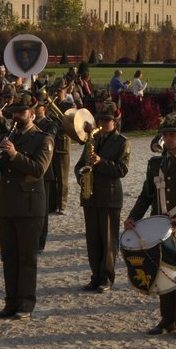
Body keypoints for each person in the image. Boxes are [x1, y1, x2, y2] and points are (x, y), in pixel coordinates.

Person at [126, 115, 176, 335]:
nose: (168, 139)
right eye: (165, 134)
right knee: (163, 273)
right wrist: (133, 217)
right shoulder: (155, 164)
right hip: (159, 228)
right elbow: (146, 195)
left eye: (173, 134)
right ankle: (167, 320)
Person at [0, 98, 54, 320]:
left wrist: (15, 155)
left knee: (26, 258)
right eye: (14, 112)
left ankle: (25, 304)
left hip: (29, 207)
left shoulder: (43, 139)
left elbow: (38, 169)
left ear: (32, 114)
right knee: (9, 257)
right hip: (6, 205)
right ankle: (10, 302)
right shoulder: (6, 137)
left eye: (22, 112)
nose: (17, 116)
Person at [77, 102, 130, 293]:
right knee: (93, 239)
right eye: (100, 119)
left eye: (107, 120)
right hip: (90, 195)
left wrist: (101, 162)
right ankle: (95, 276)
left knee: (108, 240)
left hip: (110, 196)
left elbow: (122, 170)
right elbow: (79, 166)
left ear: (114, 122)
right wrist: (83, 178)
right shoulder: (92, 139)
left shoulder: (122, 142)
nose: (102, 123)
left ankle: (107, 277)